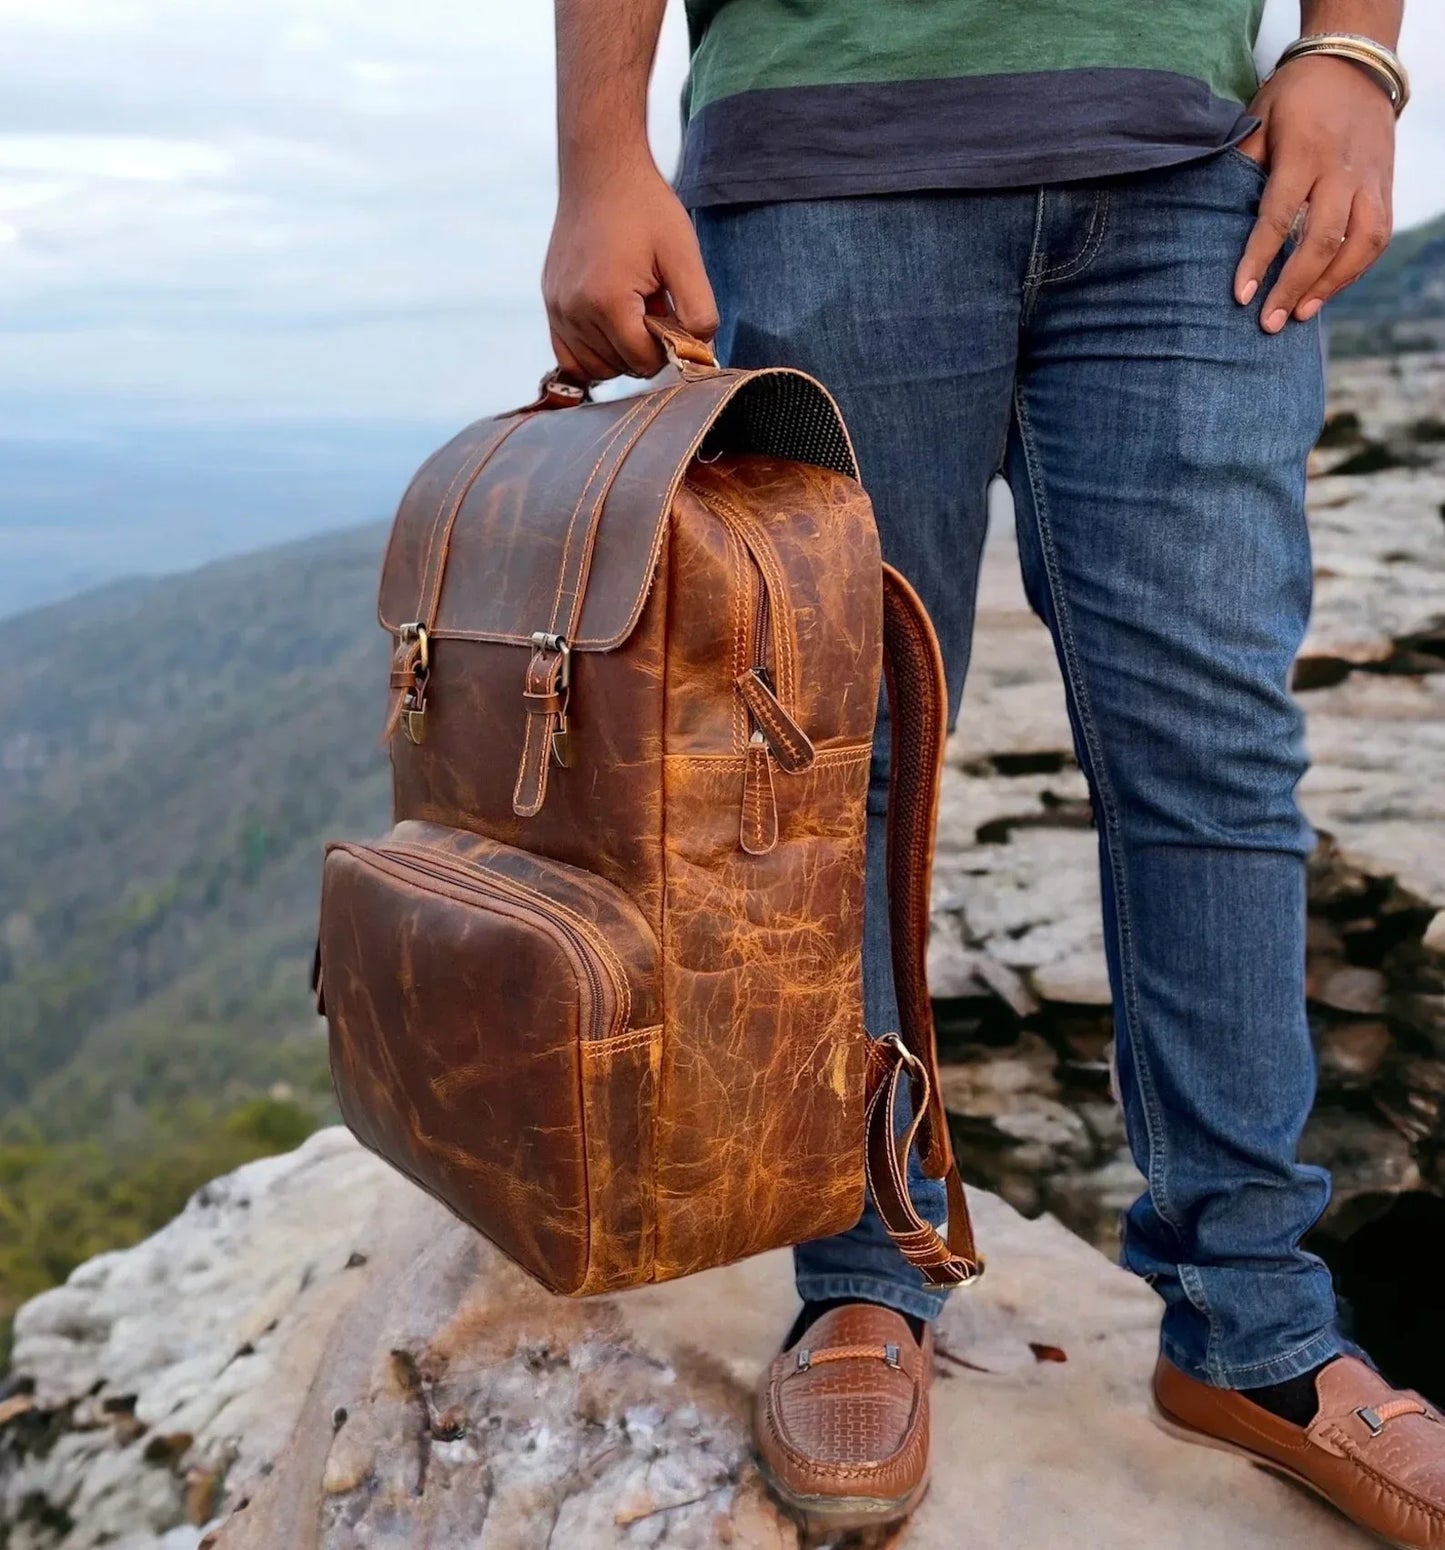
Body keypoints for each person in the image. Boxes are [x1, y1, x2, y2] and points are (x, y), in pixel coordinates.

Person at [542, 2, 1444, 1542]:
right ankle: (861, 1277)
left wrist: (1351, 52)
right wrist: (598, 155)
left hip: (1186, 166)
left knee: (1212, 756)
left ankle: (1256, 1325)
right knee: (836, 759)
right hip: (829, 152)